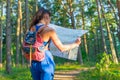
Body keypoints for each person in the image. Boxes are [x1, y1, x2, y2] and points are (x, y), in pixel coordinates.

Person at [29, 7, 81, 80]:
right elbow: (62, 48)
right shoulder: (49, 30)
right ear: (46, 17)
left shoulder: (31, 29)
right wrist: (76, 44)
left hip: (33, 61)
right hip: (45, 60)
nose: (49, 21)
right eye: (49, 18)